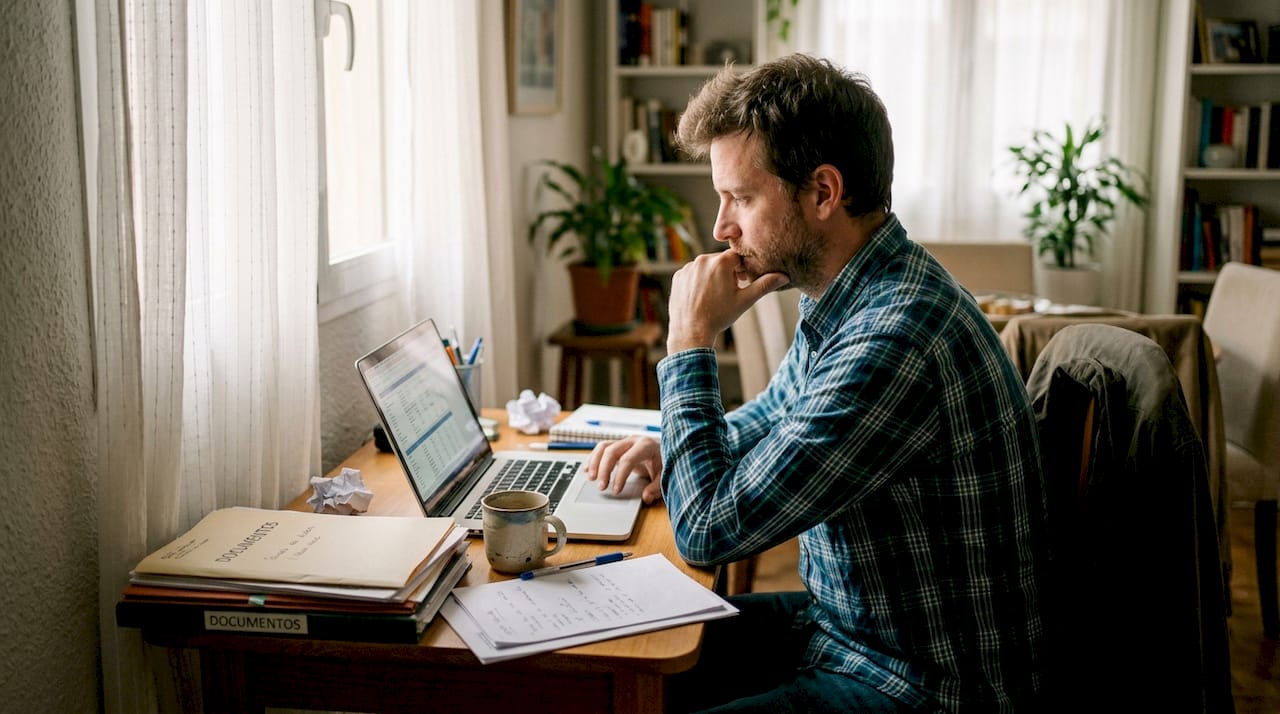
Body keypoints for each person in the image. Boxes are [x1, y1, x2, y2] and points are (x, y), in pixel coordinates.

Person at [585, 54, 1050, 713]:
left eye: (741, 198)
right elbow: (780, 413)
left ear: (824, 193)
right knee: (615, 656)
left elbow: (709, 531)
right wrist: (675, 447)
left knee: (633, 673)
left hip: (924, 685)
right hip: (847, 631)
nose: (721, 228)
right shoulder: (852, 293)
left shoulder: (894, 338)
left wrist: (689, 341)